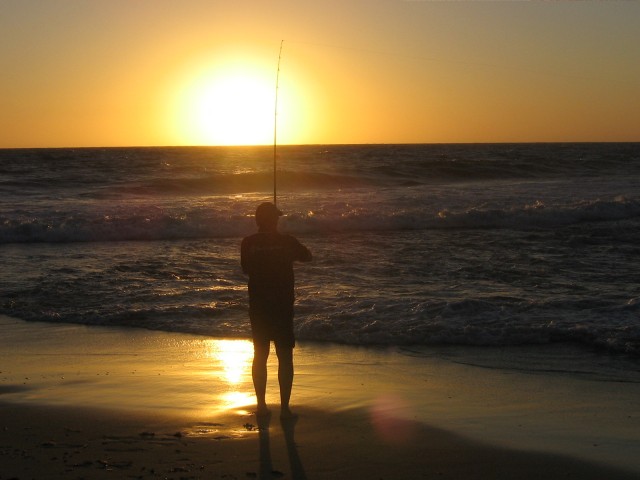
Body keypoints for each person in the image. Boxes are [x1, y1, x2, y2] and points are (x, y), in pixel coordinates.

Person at [241, 202, 312, 418]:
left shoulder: (248, 242)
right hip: (282, 305)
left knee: (260, 354)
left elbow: (246, 269)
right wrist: (285, 253)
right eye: (277, 218)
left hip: (259, 305)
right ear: (274, 220)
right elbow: (307, 256)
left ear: (257, 220)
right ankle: (284, 409)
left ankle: (261, 406)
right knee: (285, 356)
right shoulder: (287, 241)